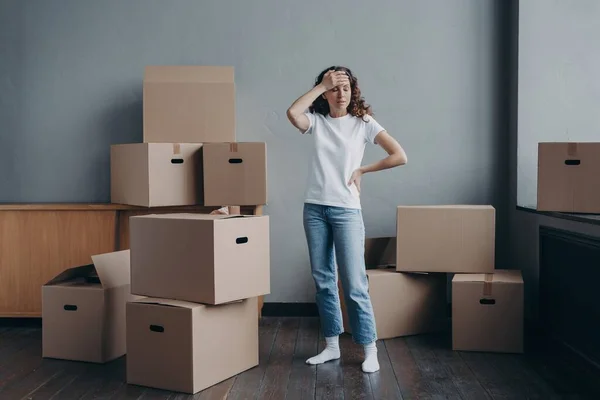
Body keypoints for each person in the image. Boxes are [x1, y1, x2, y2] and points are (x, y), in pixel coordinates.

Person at [286, 66, 407, 373]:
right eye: (333, 88)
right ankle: (331, 347)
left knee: (354, 284)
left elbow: (399, 155)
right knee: (324, 281)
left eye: (345, 88)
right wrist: (320, 85)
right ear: (324, 92)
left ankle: (370, 350)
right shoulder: (316, 121)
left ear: (353, 92)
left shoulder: (363, 123)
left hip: (346, 211)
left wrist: (363, 170)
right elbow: (292, 112)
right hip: (314, 209)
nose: (340, 94)